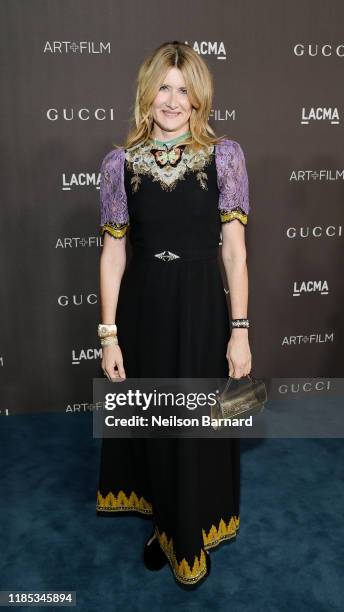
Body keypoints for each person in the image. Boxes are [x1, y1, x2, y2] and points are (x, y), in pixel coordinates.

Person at [96, 40, 252, 589]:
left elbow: (234, 252)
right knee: (157, 425)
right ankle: (163, 523)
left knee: (198, 424)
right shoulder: (120, 164)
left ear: (199, 98)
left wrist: (240, 330)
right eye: (163, 86)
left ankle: (194, 527)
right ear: (147, 92)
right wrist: (110, 335)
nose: (172, 100)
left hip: (202, 308)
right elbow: (114, 253)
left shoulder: (224, 156)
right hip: (144, 309)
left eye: (184, 89)